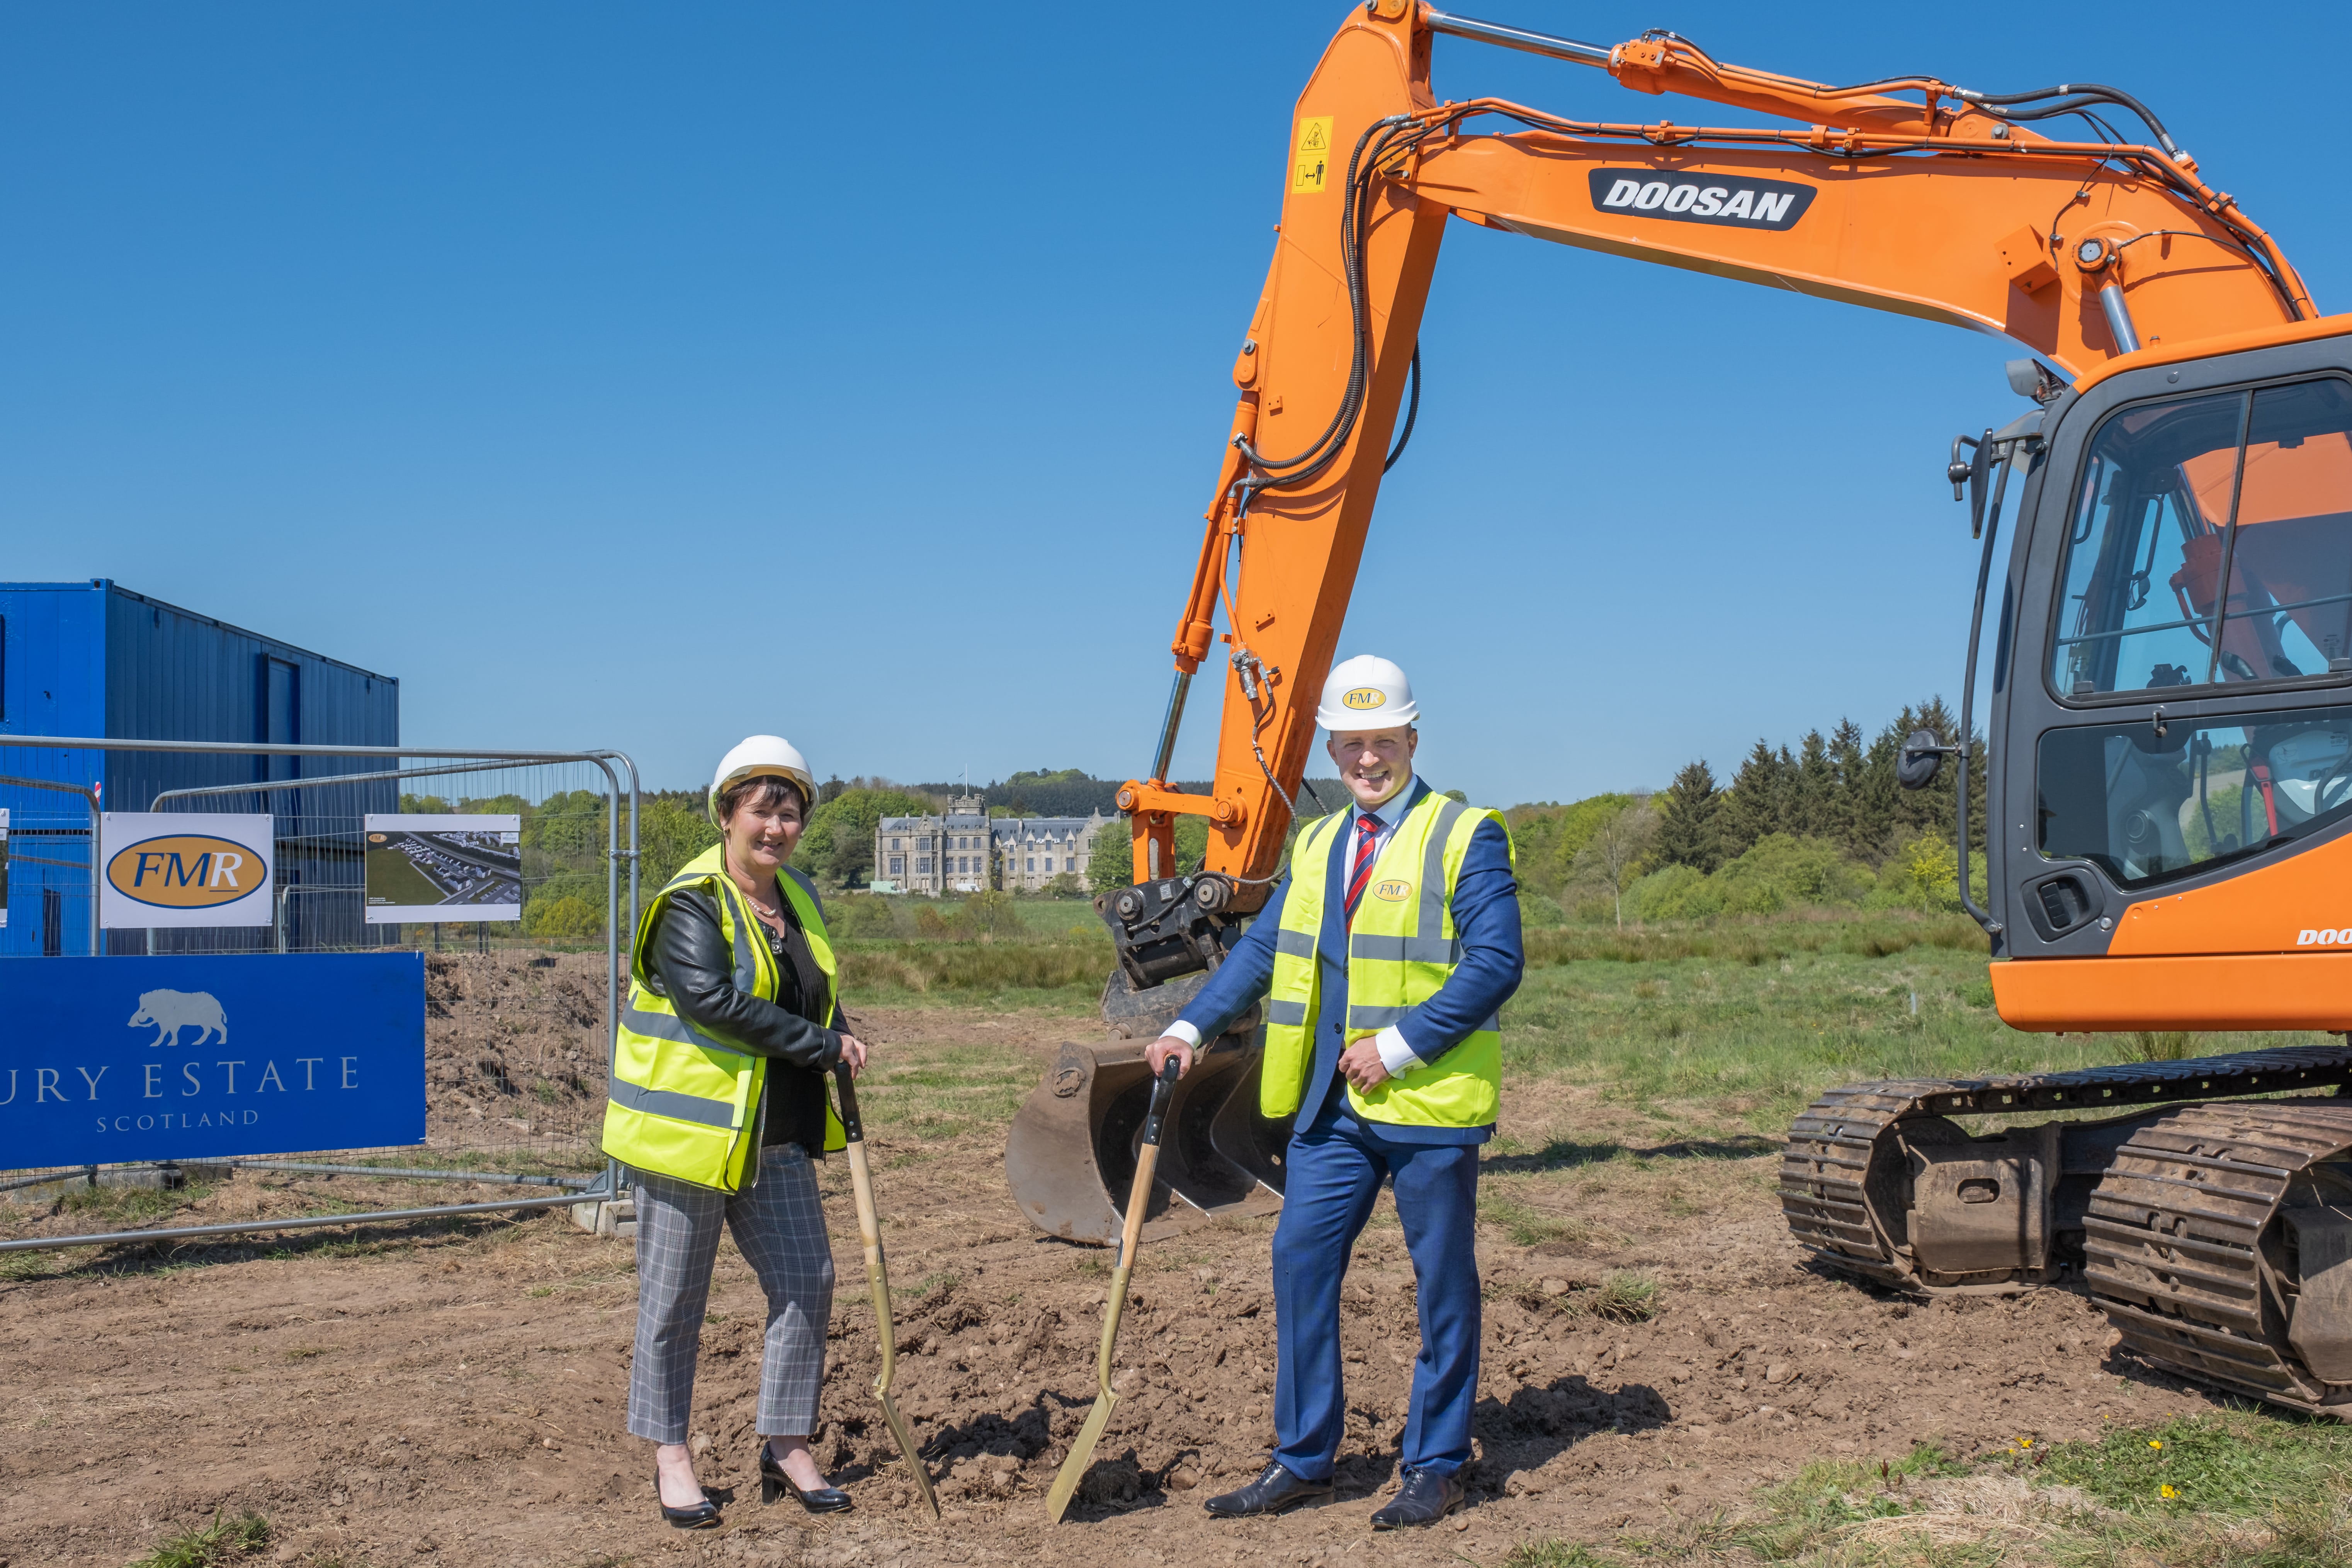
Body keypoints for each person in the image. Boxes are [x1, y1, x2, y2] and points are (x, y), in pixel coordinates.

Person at [1145, 655, 1523, 1529]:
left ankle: (1434, 1464)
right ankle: (1303, 1456)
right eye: (1350, 744)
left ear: (1410, 741)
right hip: (1331, 1112)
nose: (1365, 760)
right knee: (1299, 1262)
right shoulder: (1315, 843)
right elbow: (1260, 950)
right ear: (1330, 747)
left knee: (1441, 1286)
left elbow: (1497, 961)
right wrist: (1189, 1028)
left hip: (1427, 1108)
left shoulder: (1466, 834)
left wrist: (1396, 1045)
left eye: (1381, 742)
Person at [600, 736, 867, 1529]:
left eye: (789, 811)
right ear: (726, 815)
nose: (776, 826)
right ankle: (671, 1454)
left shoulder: (799, 897)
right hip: (692, 1140)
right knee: (676, 1298)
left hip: (776, 1135)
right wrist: (820, 1045)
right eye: (761, 809)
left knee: (806, 1281)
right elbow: (712, 1001)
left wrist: (841, 1038)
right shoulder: (693, 900)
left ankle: (785, 1442)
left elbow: (814, 990)